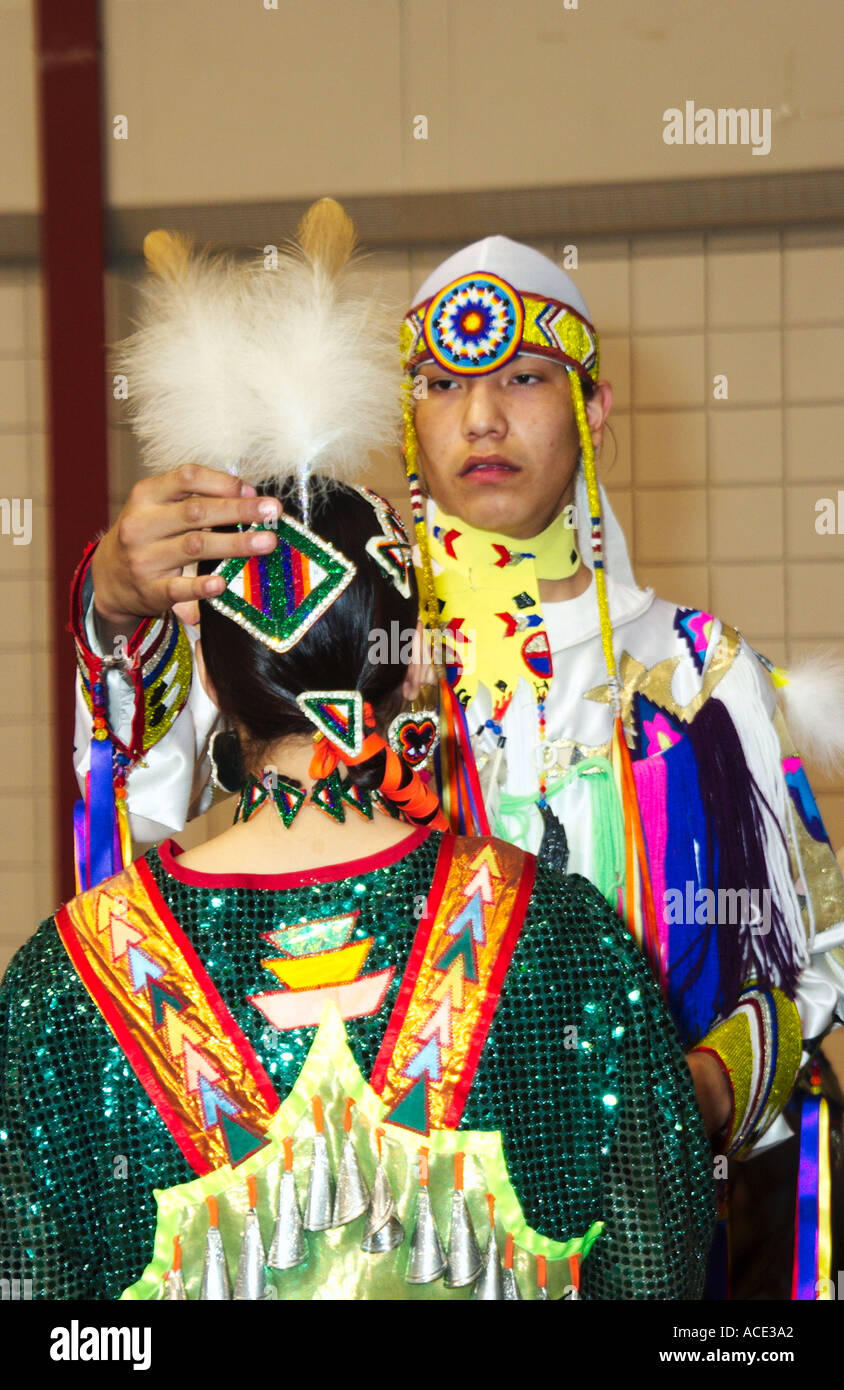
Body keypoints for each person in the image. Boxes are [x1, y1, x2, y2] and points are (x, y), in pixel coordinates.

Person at [69, 210, 844, 1291]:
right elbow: (136, 833)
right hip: (366, 1237)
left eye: (523, 377)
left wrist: (700, 1093)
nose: (480, 415)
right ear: (407, 409)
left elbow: (815, 959)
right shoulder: (331, 625)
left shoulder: (700, 679)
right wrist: (118, 610)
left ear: (593, 408)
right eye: (440, 383)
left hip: (636, 1232)